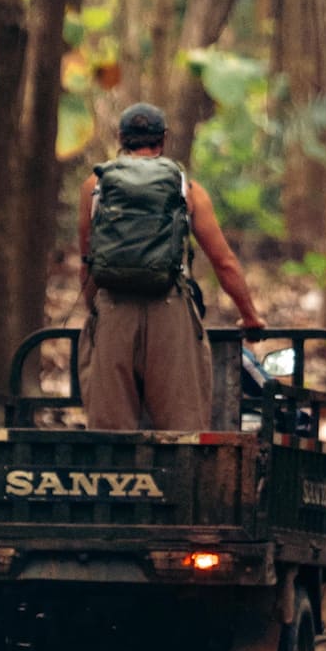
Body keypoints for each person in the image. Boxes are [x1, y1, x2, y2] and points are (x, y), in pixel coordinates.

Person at [77, 103, 265, 431]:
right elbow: (224, 263)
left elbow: (88, 262)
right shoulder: (185, 188)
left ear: (121, 138)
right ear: (163, 139)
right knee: (183, 429)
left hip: (113, 311)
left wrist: (97, 313)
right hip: (170, 311)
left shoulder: (95, 185)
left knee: (110, 434)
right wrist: (250, 316)